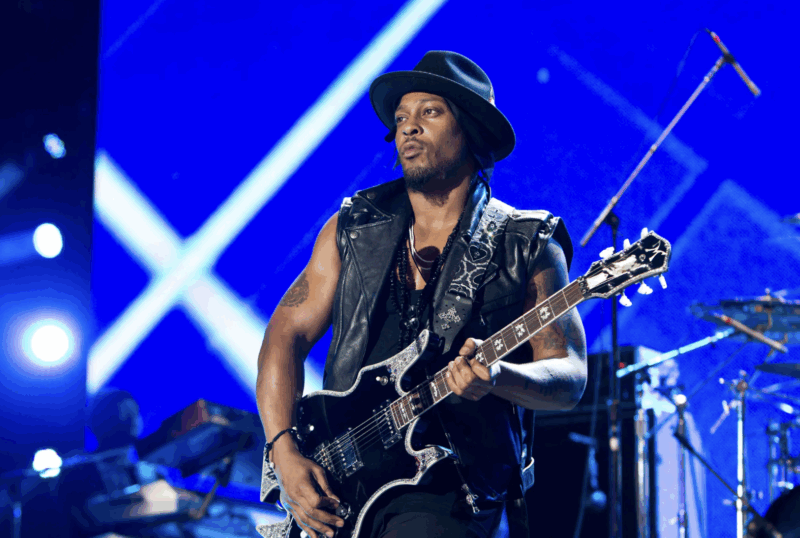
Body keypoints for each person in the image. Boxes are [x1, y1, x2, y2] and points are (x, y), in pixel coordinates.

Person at [256, 51, 588, 538]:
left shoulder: (525, 242)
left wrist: (500, 376)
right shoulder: (352, 227)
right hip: (342, 487)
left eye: (430, 112)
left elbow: (569, 373)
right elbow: (285, 336)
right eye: (401, 118)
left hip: (453, 489)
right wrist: (283, 450)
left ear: (471, 129)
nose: (409, 127)